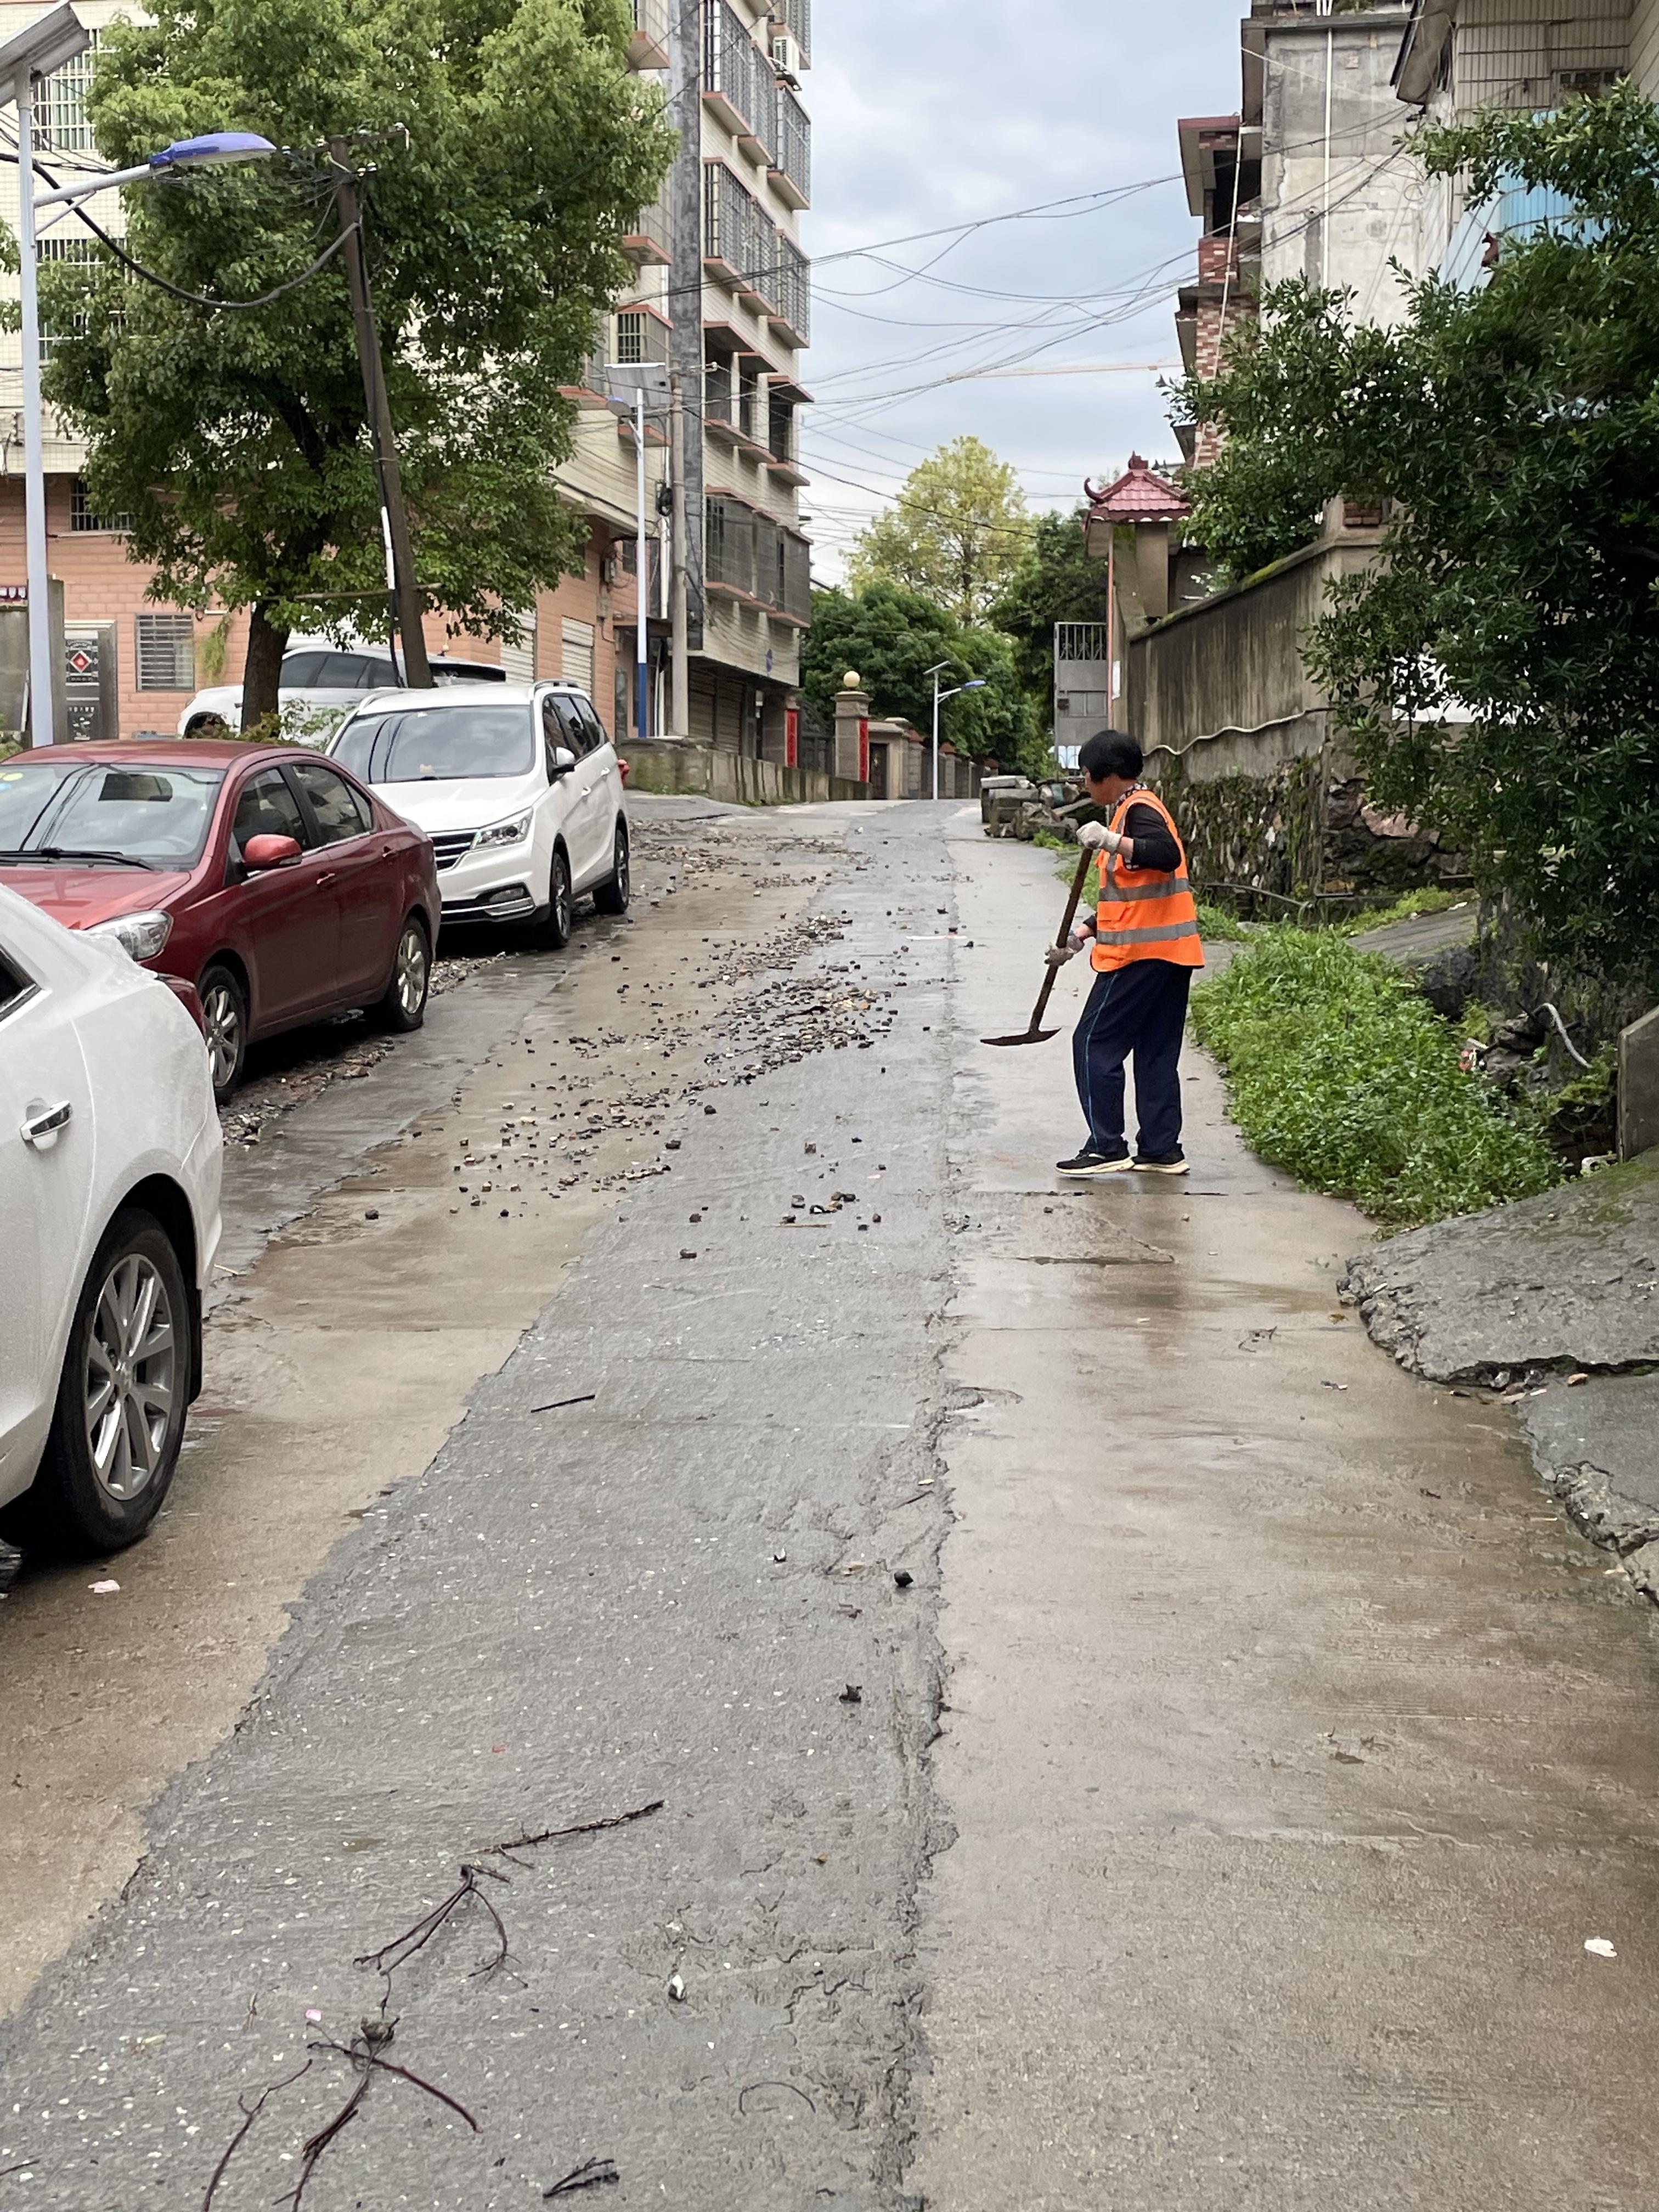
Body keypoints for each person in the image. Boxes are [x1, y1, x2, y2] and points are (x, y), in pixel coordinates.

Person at [1046, 728, 1203, 1177]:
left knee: (1094, 1042)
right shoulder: (1129, 812)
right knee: (1155, 1052)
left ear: (1107, 776)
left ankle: (1106, 1146)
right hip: (1170, 954)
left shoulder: (1138, 811)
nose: (1085, 785)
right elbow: (1128, 898)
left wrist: (1111, 841)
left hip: (1139, 958)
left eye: (1086, 777)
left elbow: (1166, 855)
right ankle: (1160, 1150)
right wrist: (1079, 937)